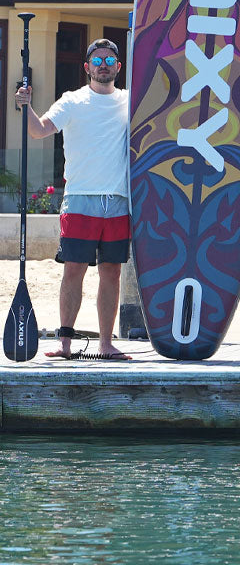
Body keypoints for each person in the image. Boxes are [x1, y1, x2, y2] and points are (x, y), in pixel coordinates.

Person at [14, 39, 131, 360]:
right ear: (87, 67)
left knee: (111, 272)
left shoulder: (130, 102)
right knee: (74, 270)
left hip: (120, 201)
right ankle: (65, 343)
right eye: (97, 60)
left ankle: (106, 343)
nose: (103, 64)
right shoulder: (72, 101)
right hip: (80, 199)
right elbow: (38, 131)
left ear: (118, 67)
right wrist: (25, 106)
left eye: (109, 59)